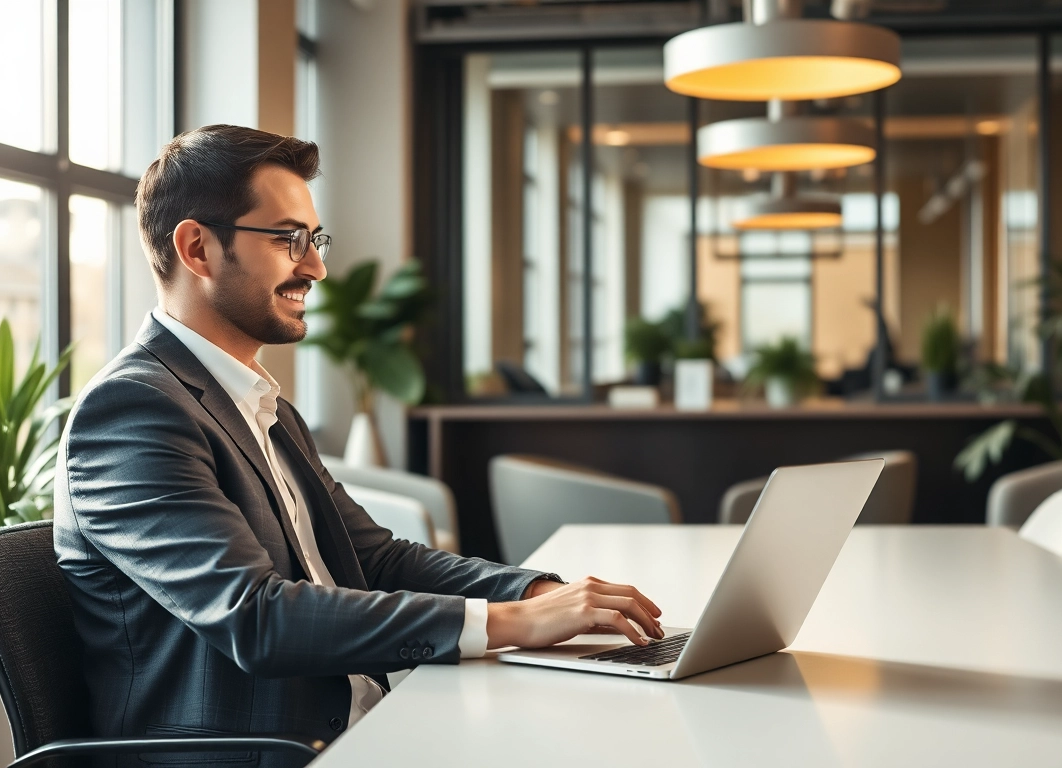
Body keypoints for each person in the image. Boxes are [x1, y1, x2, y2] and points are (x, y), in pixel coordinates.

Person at [54, 124, 663, 766]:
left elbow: (376, 559)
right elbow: (254, 619)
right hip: (267, 752)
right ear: (198, 248)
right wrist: (512, 626)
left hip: (355, 725)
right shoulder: (133, 410)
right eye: (289, 239)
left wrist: (537, 596)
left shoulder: (261, 404)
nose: (315, 265)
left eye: (314, 239)